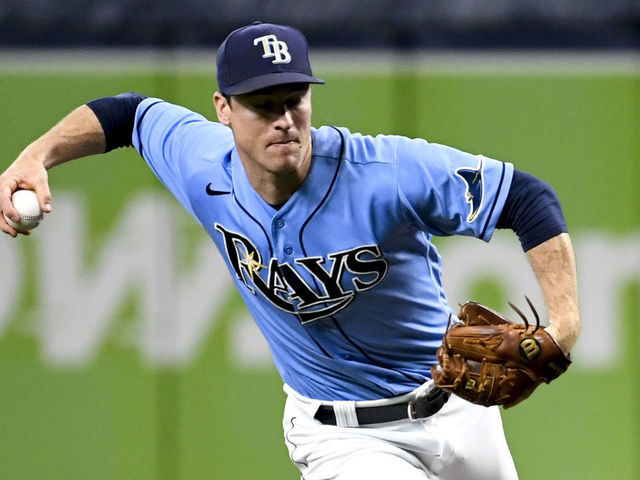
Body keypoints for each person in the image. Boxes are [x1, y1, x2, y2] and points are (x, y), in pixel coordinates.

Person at [0, 22, 580, 480]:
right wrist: (38, 154)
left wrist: (566, 323)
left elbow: (526, 197)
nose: (283, 119)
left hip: (456, 409)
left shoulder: (386, 171)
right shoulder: (203, 163)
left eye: (293, 98)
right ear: (223, 109)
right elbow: (127, 113)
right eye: (260, 103)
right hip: (343, 438)